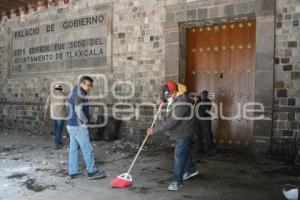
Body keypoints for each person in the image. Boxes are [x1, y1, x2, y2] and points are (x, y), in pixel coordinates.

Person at [147, 80, 198, 191]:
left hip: (183, 132)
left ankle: (177, 182)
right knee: (184, 152)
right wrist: (162, 101)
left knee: (179, 156)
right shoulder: (174, 91)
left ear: (174, 92)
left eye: (169, 96)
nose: (168, 98)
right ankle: (191, 170)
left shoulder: (182, 103)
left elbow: (171, 122)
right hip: (179, 130)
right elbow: (167, 95)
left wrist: (154, 130)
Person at [67, 76, 106, 179]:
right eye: (88, 85)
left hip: (71, 125)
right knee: (87, 149)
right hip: (79, 126)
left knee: (73, 149)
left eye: (91, 85)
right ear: (82, 84)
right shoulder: (80, 93)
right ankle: (92, 171)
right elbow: (78, 110)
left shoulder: (74, 90)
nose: (90, 87)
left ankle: (73, 172)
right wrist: (85, 121)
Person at [44, 84, 67, 150]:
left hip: (53, 115)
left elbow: (47, 105)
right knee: (59, 129)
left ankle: (58, 141)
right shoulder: (64, 95)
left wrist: (45, 114)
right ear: (61, 89)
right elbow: (68, 105)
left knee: (56, 128)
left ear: (55, 89)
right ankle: (57, 144)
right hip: (61, 115)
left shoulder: (51, 95)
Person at [195, 90, 216, 156]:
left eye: (204, 95)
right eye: (202, 94)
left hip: (205, 120)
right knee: (198, 135)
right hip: (197, 120)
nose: (202, 96)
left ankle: (210, 150)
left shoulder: (208, 101)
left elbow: (204, 111)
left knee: (207, 135)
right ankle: (200, 149)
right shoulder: (199, 101)